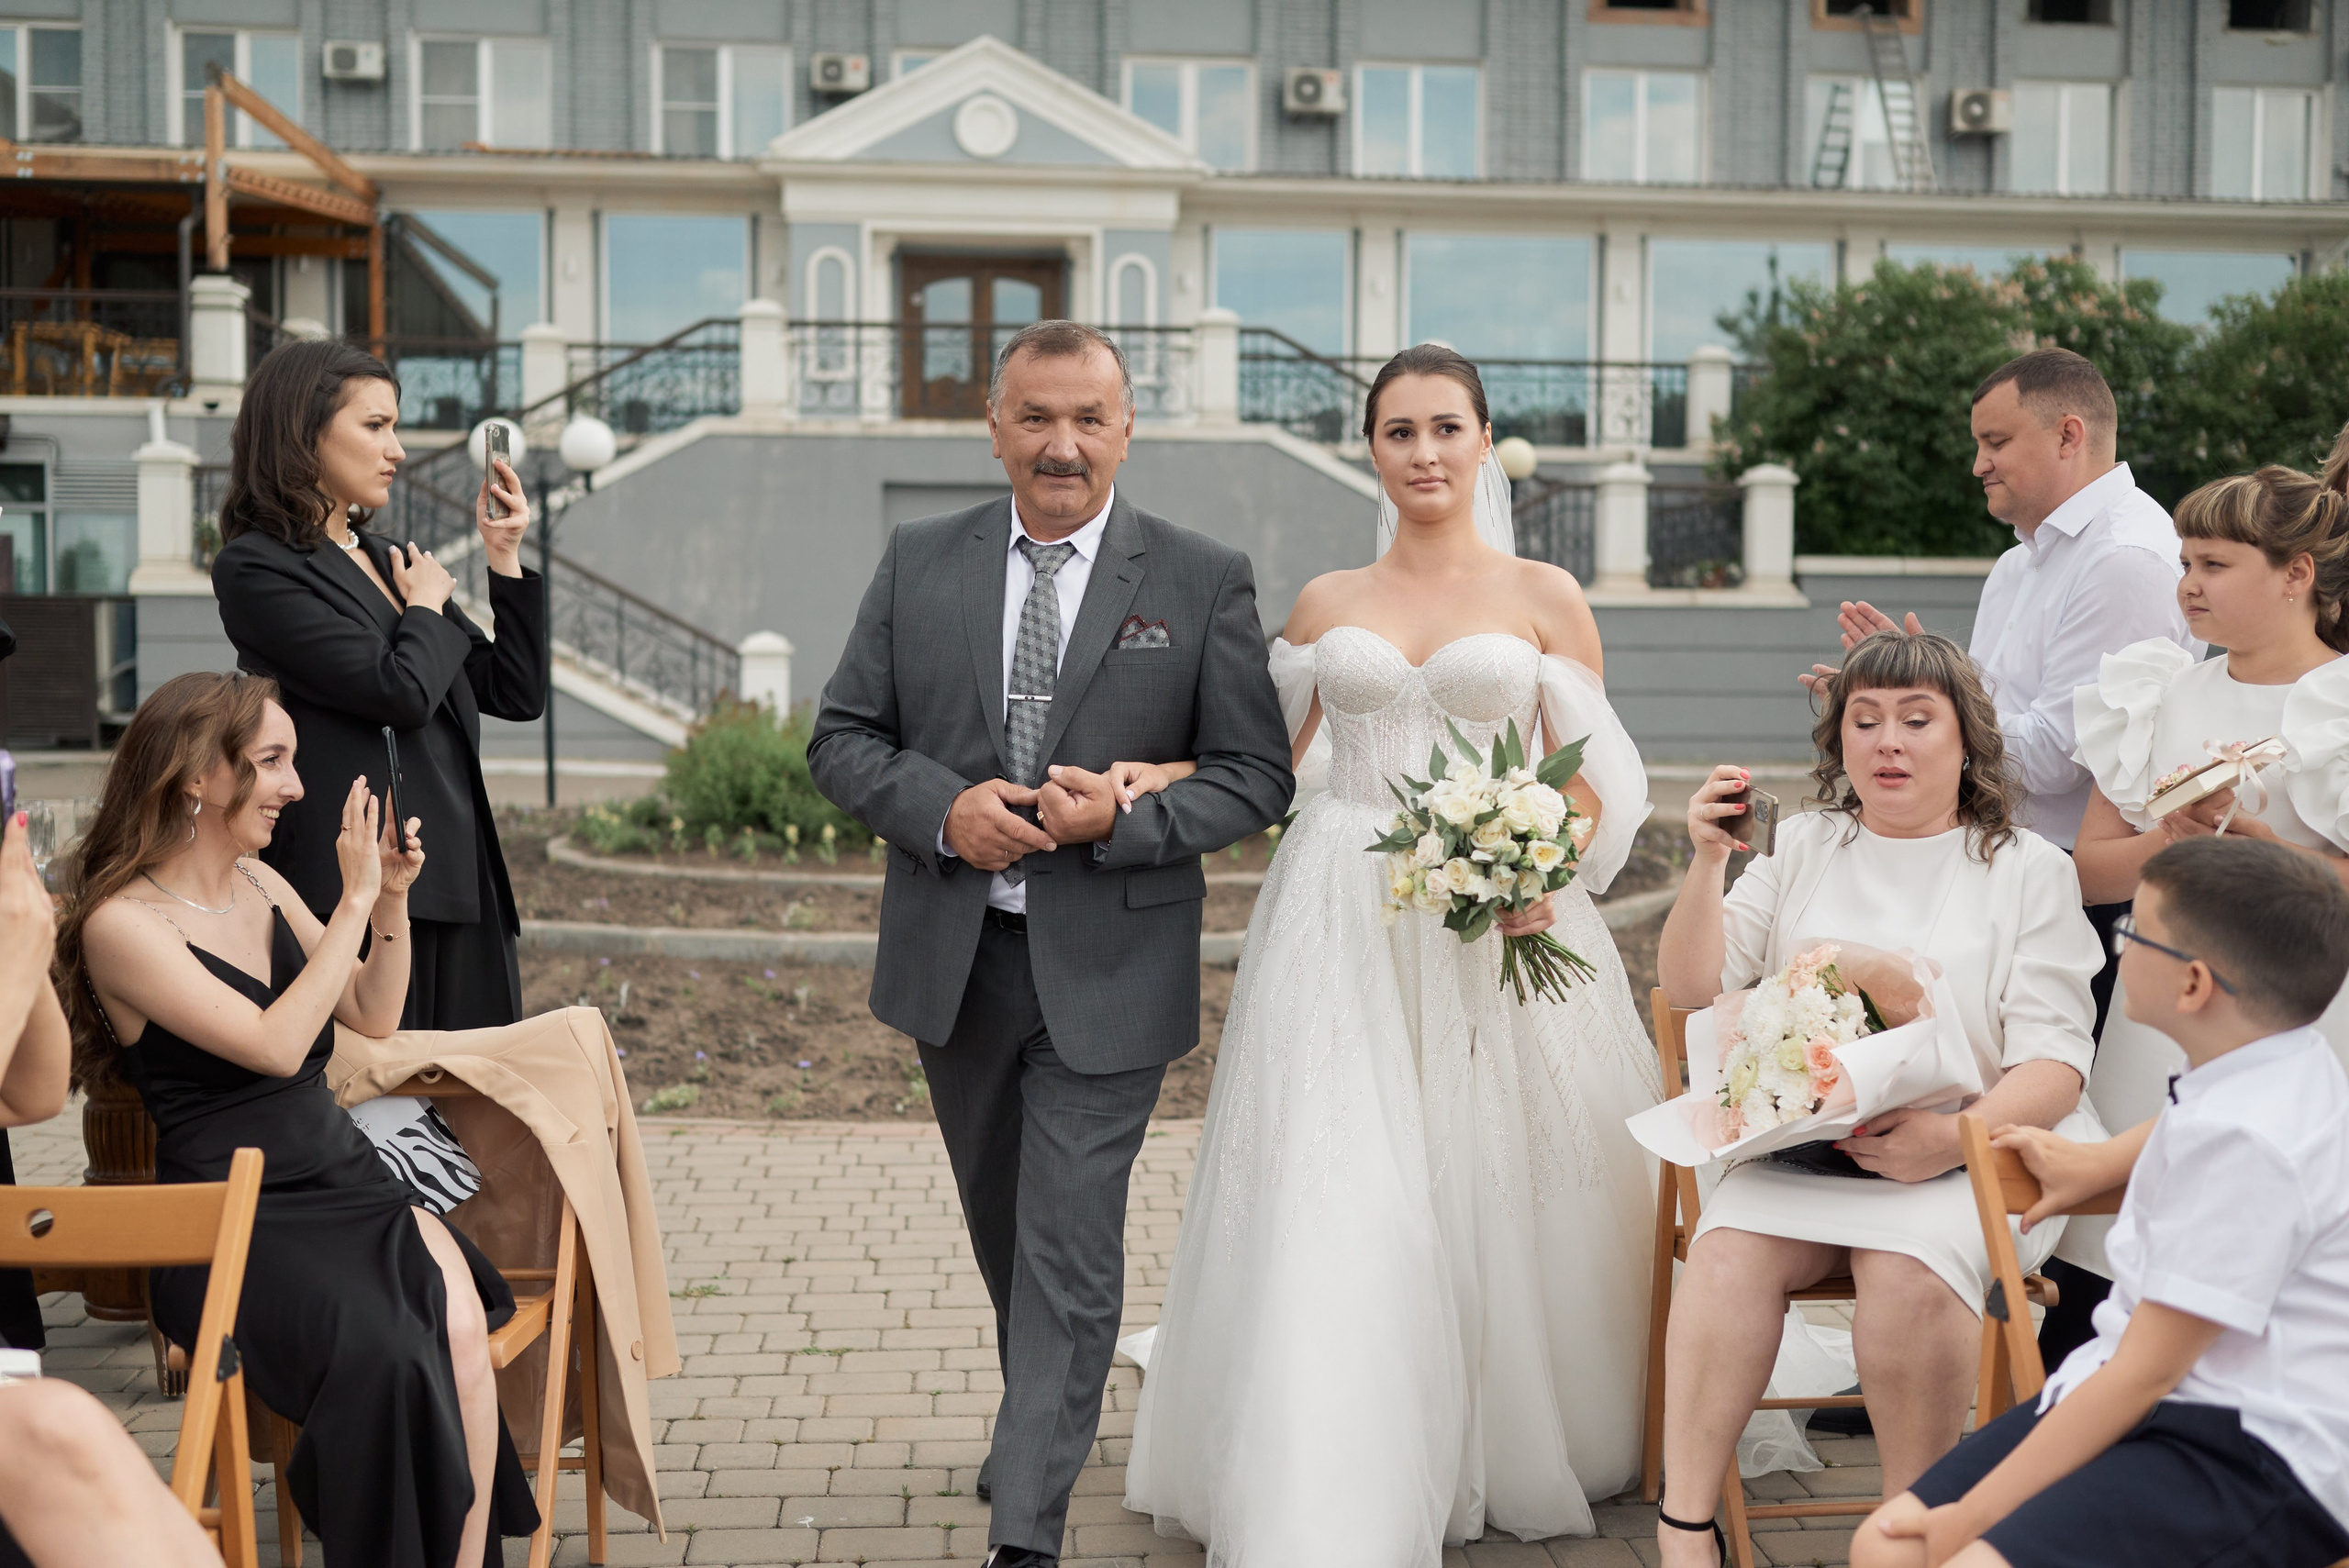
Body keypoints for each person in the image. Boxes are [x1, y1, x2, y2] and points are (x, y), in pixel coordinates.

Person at [1120, 344, 1663, 1563]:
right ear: (1370, 448)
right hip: (1342, 908)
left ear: (1485, 440)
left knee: (1499, 1167)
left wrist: (1538, 869)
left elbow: (1594, 781)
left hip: (1494, 915)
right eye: (1399, 431)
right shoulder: (1325, 602)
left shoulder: (1545, 594)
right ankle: (1333, 1450)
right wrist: (1162, 775)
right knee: (1340, 1168)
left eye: (1445, 427)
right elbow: (1259, 761)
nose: (1424, 452)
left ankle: (1512, 1424)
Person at [807, 320, 1294, 1568]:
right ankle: (1038, 1421)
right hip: (957, 967)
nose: (1061, 444)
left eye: (1087, 418)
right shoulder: (921, 560)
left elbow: (1253, 774)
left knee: (1068, 1249)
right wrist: (944, 811)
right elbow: (842, 740)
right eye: (1035, 417)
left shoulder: (1200, 576)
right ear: (995, 427)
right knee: (1005, 1232)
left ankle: (1024, 1530)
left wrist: (1126, 820)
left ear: (1127, 429)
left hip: (1113, 974)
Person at [56, 672, 539, 1568]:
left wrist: (387, 897)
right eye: (272, 760)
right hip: (232, 1218)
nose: (296, 784)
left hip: (345, 1182)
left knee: (461, 1325)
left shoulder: (261, 881)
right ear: (198, 774)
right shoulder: (121, 924)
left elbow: (372, 1011)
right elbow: (277, 1046)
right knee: (393, 1351)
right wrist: (351, 900)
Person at [1655, 630, 2105, 1568]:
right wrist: (1704, 863)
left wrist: (1950, 1138)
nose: (1887, 741)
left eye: (1915, 719)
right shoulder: (1806, 843)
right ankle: (1686, 1527)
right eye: (1864, 721)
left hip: (1970, 1151)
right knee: (1725, 1257)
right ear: (1840, 741)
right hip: (1806, 1155)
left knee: (1905, 1274)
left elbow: (2056, 1065)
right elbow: (1693, 988)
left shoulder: (2028, 866)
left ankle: (1910, 1534)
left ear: (1967, 740)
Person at [1803, 346, 2195, 1366]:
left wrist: (1915, 715)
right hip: (1981, 863)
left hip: (2075, 885)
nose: (1976, 463)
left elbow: (2068, 749)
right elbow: (1993, 722)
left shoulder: (2127, 557)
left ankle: (2040, 1375)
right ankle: (1917, 1350)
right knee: (1924, 1104)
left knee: (2044, 1127)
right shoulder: (2020, 561)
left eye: (1993, 441)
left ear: (2068, 434)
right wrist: (1909, 699)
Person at [1858, 837, 2349, 1568]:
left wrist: (1974, 1516)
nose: (2119, 947)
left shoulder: (2247, 1142)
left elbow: (2145, 1374)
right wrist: (2094, 1162)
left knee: (1967, 1558)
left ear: (2193, 984)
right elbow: (2184, 1120)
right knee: (1885, 1543)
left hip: (2252, 1446)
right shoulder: (2270, 1059)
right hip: (2148, 1393)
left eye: (2135, 932)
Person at [210, 339, 546, 1032]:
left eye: (395, 426)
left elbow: (514, 691)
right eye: (375, 425)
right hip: (356, 890)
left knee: (477, 1092)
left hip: (462, 878)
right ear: (303, 432)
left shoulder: (390, 557)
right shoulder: (256, 569)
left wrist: (504, 558)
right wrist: (423, 607)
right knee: (381, 1092)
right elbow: (397, 691)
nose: (397, 450)